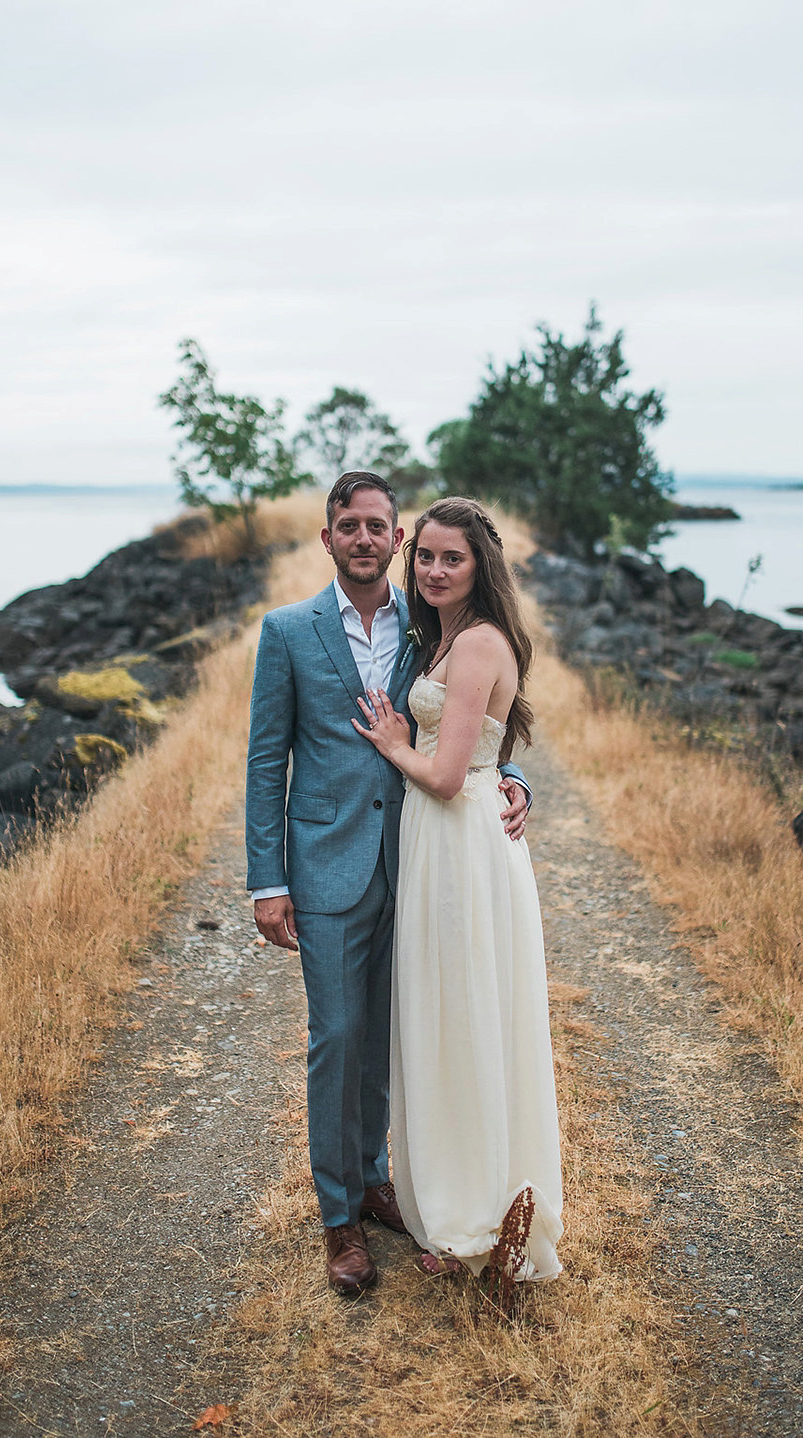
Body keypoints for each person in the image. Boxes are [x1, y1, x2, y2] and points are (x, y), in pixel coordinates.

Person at [245, 473, 531, 1295]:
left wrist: (513, 780)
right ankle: (339, 1219)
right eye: (348, 526)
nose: (364, 538)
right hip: (327, 867)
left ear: (396, 538)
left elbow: (471, 721)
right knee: (337, 1038)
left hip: (420, 864)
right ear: (327, 538)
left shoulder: (430, 622)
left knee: (390, 1042)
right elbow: (269, 762)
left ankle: (377, 1181)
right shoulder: (289, 632)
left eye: (378, 526)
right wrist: (269, 881)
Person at [353, 496, 563, 1282]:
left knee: (468, 1018)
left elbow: (445, 776)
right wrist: (506, 773)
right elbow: (479, 752)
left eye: (453, 559)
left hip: (461, 843)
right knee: (447, 1017)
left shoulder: (476, 642)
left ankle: (480, 1220)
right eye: (427, 557)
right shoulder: (438, 633)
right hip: (443, 843)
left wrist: (395, 743)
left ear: (482, 565)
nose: (434, 570)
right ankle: (463, 1208)